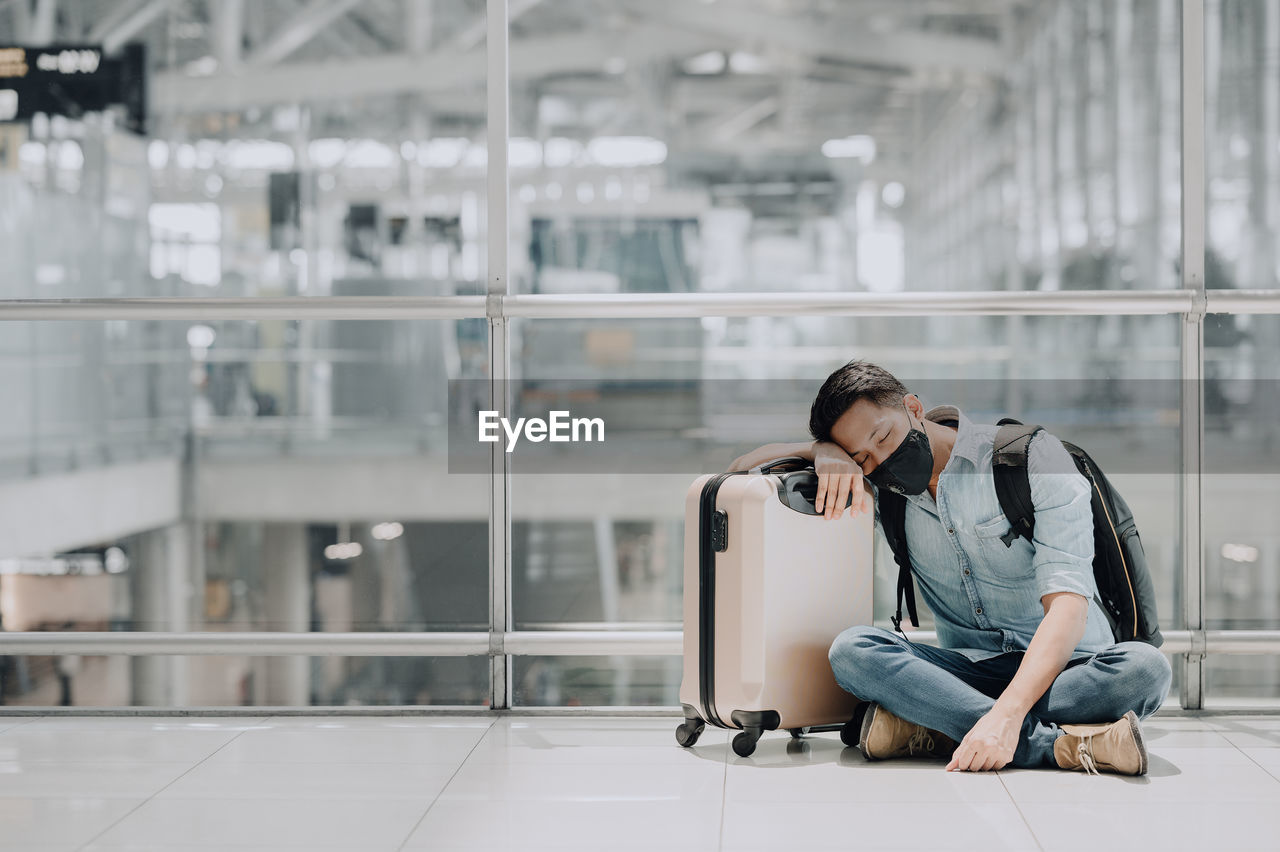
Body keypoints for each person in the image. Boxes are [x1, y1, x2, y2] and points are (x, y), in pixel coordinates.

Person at [729, 360, 1172, 775]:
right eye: (862, 457)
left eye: (883, 438)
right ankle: (1049, 745)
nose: (879, 462)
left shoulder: (1034, 458)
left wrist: (1008, 712)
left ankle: (938, 722)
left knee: (1147, 670)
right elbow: (739, 469)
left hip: (1070, 667)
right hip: (968, 666)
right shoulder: (885, 494)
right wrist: (822, 452)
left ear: (913, 408)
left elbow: (1068, 609)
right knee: (852, 651)